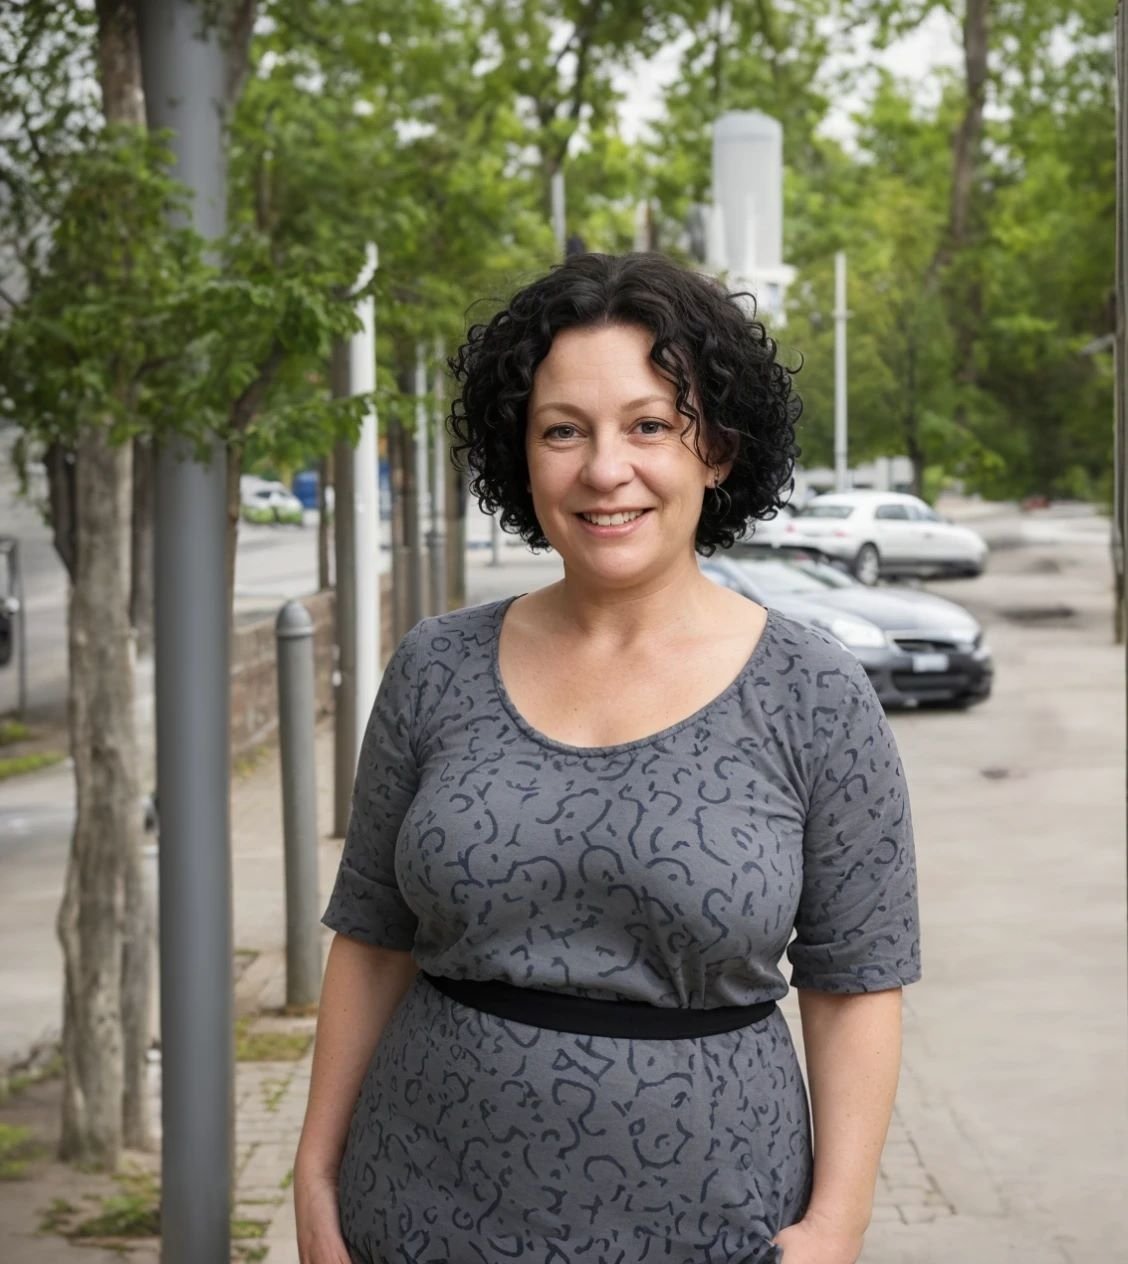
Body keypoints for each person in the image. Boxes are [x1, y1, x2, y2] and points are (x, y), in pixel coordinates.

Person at [294, 252, 921, 1264]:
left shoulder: (815, 694)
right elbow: (370, 941)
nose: (603, 468)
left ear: (718, 449)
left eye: (650, 425)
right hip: (414, 1213)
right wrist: (317, 1179)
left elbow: (856, 981)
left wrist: (836, 1226)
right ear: (521, 454)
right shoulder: (435, 667)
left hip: (716, 1228)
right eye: (562, 430)